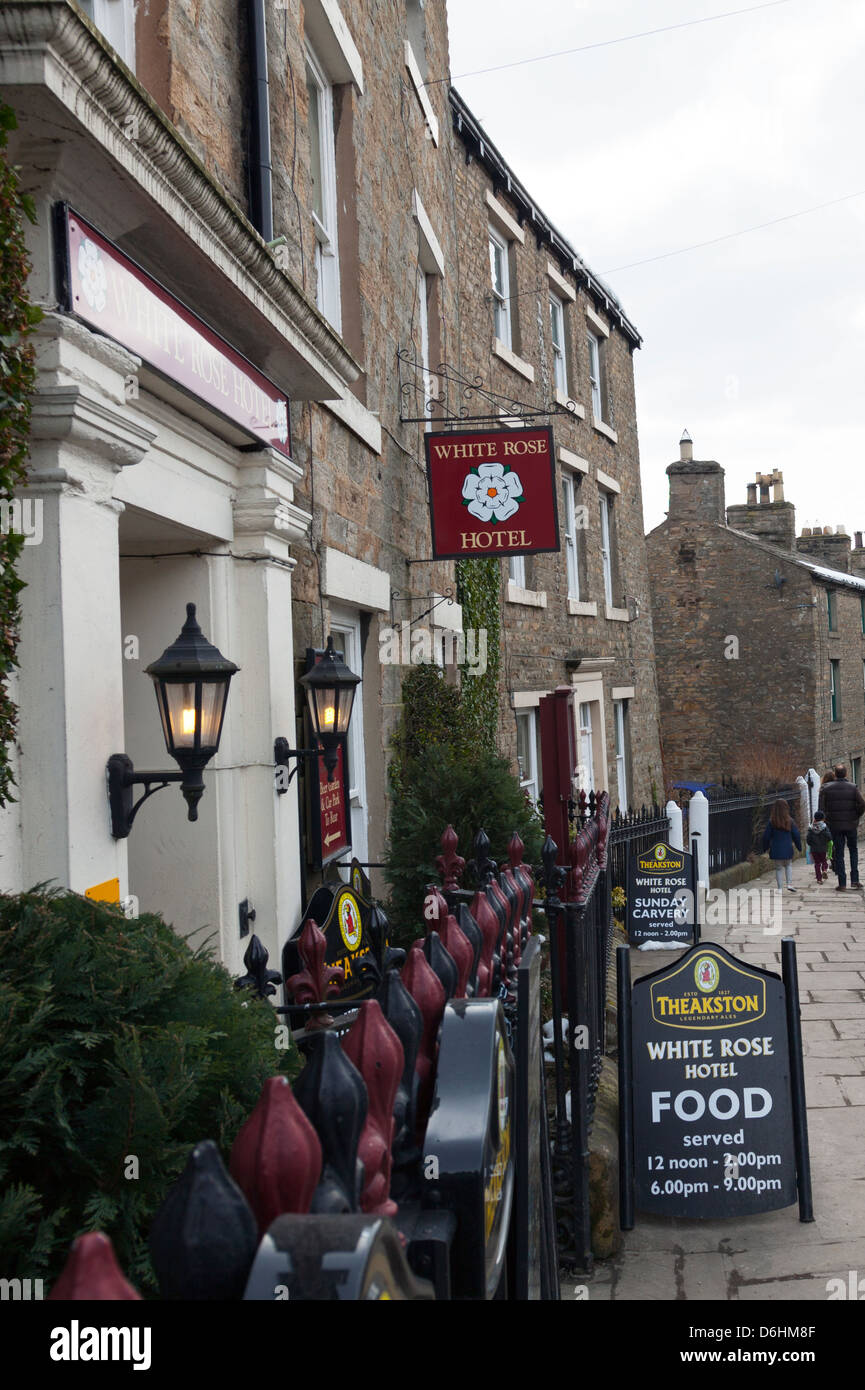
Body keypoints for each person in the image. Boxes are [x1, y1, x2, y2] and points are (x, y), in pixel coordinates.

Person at [819, 764, 865, 891]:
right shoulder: (853, 787)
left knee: (839, 853)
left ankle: (842, 883)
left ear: (835, 774)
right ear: (845, 774)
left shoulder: (825, 789)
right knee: (853, 851)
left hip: (835, 825)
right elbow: (862, 803)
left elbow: (821, 810)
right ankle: (855, 880)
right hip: (851, 824)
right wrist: (856, 815)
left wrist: (827, 820)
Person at [762, 799, 802, 891]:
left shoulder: (772, 822)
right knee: (788, 866)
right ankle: (789, 884)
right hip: (787, 848)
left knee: (778, 868)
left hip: (776, 849)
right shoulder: (790, 821)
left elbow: (766, 837)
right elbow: (796, 835)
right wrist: (799, 847)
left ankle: (780, 888)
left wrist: (765, 848)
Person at [806, 810, 831, 884]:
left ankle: (819, 879)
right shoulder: (824, 827)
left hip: (814, 849)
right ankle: (824, 870)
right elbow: (829, 837)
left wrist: (811, 844)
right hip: (823, 848)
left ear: (815, 818)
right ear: (823, 818)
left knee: (817, 863)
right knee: (824, 861)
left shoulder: (811, 828)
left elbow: (808, 839)